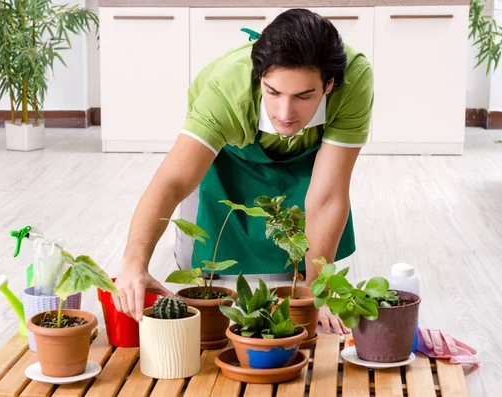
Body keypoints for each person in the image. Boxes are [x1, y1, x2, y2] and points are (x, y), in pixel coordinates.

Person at [112, 8, 373, 335]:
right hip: (228, 153)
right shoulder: (226, 91)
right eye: (273, 92)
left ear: (330, 85)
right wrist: (134, 263)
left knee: (293, 276)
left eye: (303, 96)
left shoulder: (355, 79)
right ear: (258, 76)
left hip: (306, 152)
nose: (285, 113)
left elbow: (328, 196)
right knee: (194, 255)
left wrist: (316, 293)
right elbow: (173, 180)